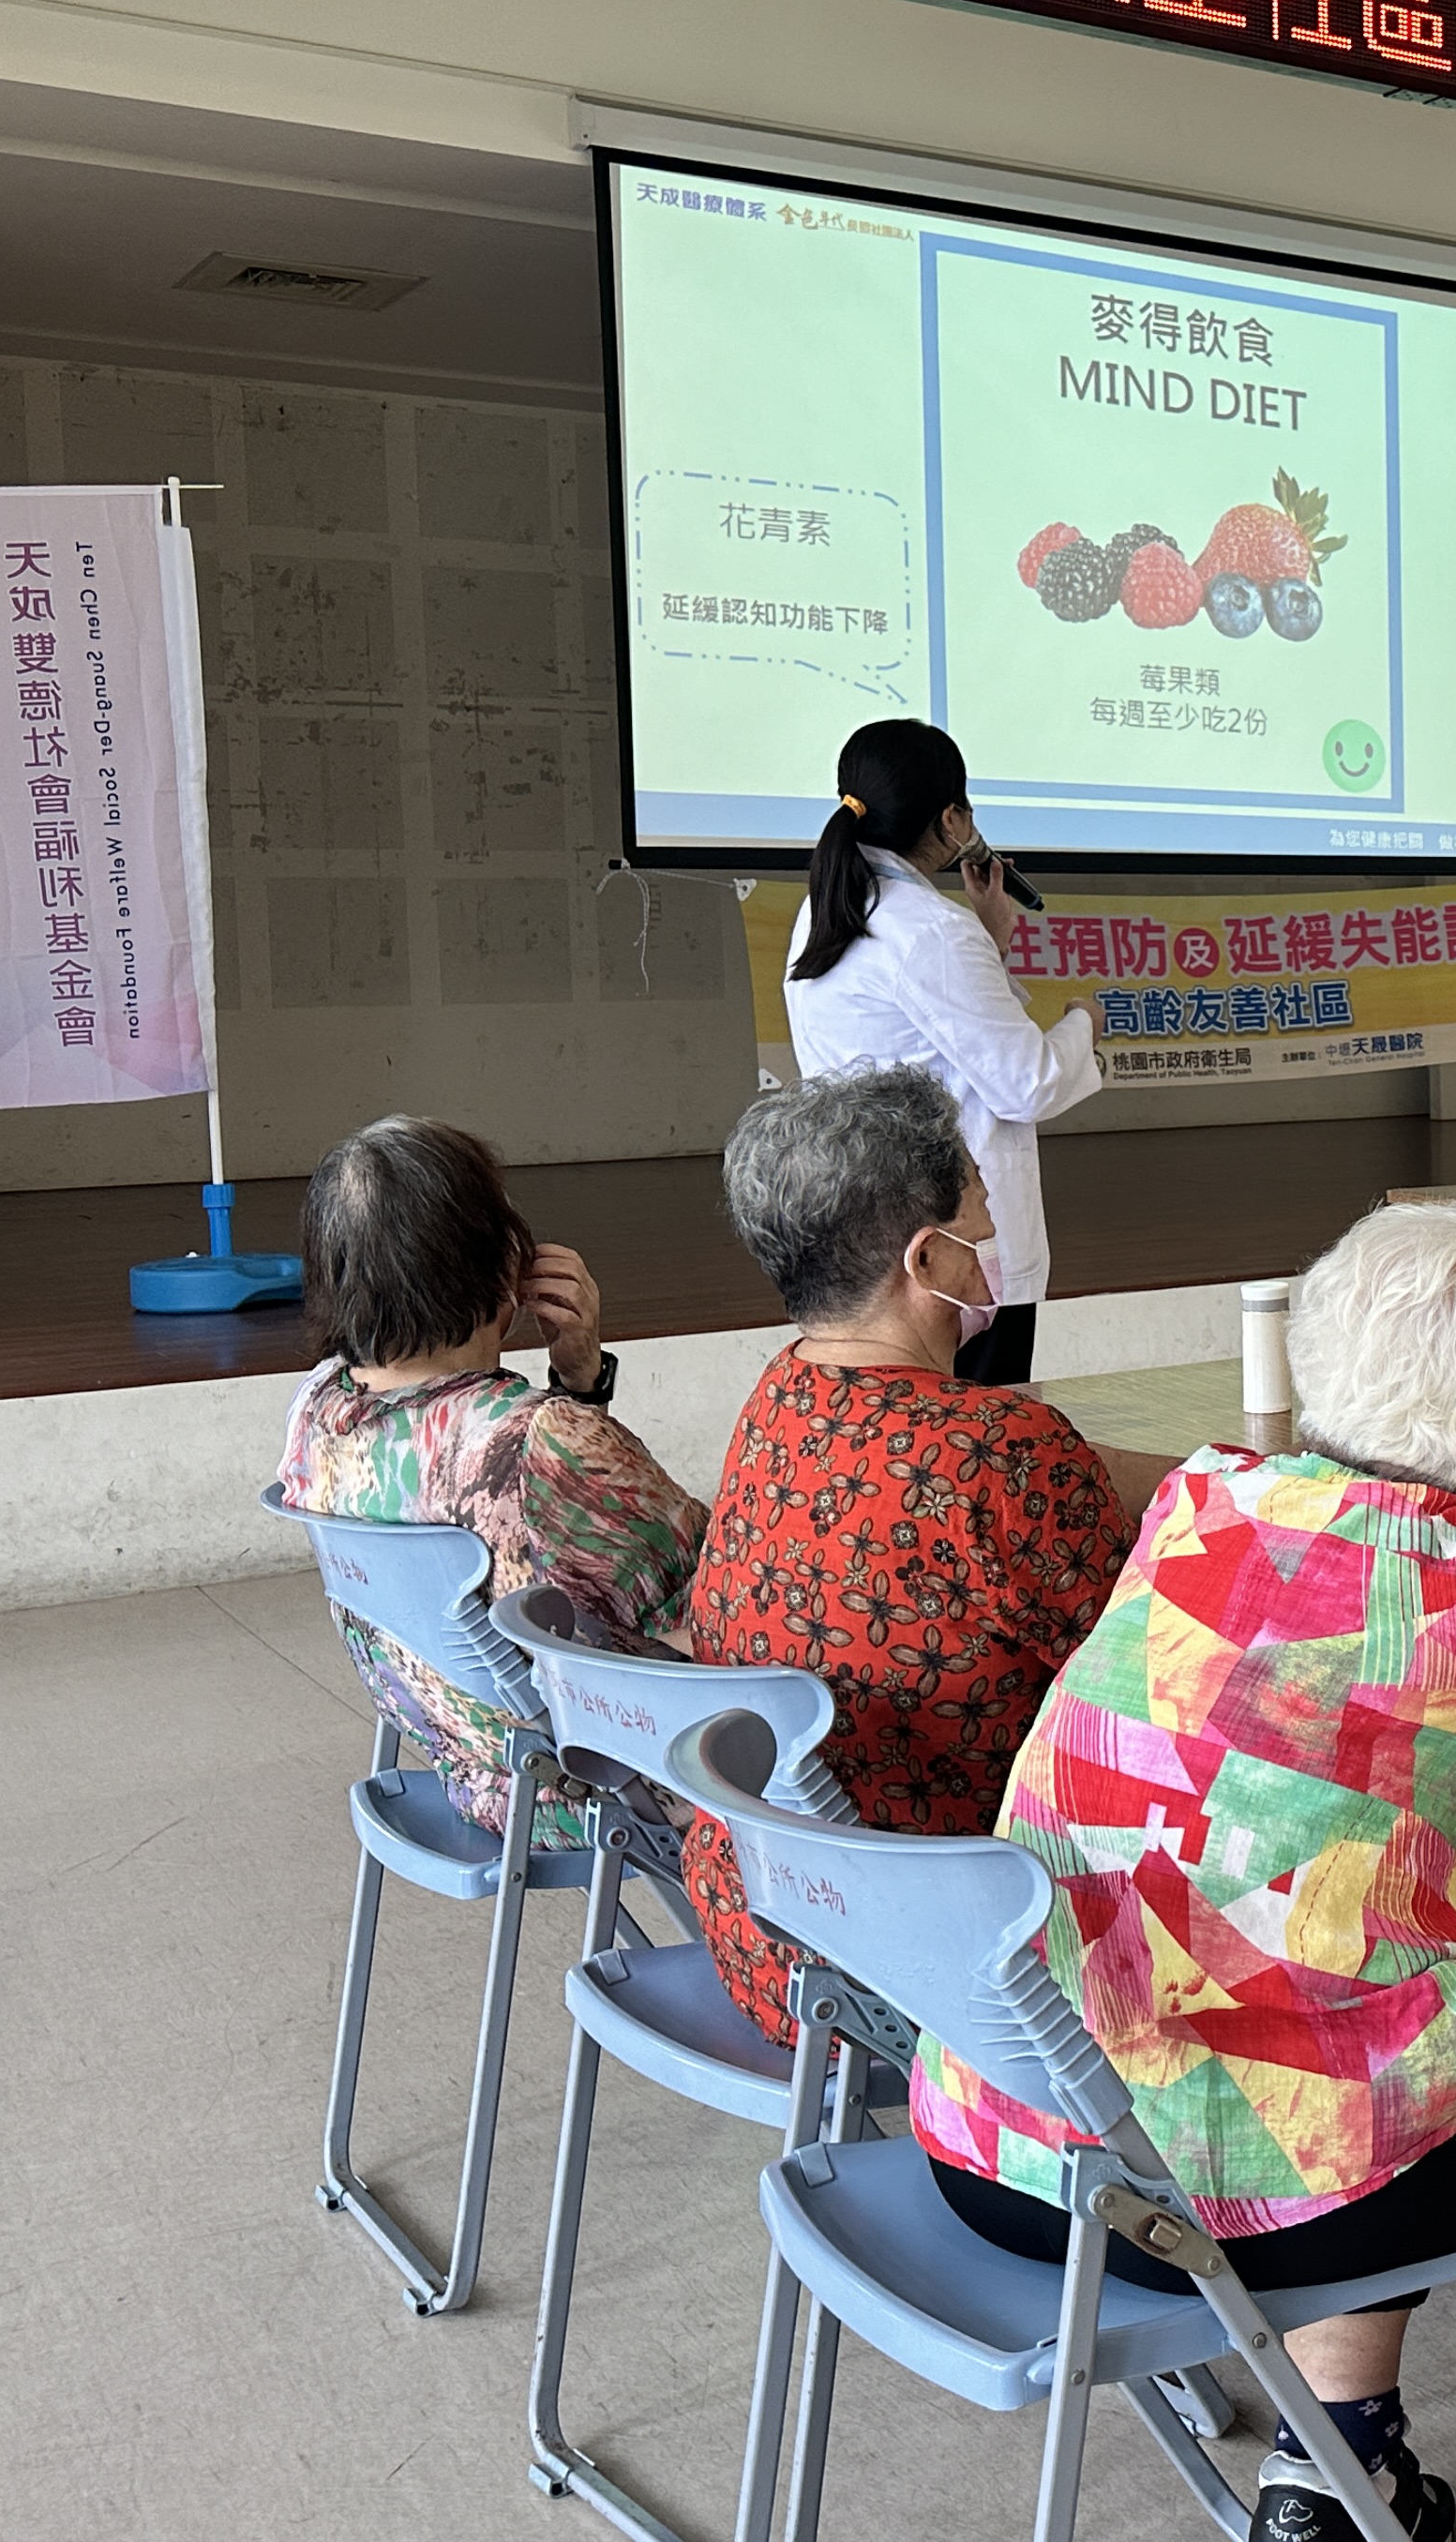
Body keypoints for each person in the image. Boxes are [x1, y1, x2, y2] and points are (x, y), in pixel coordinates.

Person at [910, 1201, 1456, 2542]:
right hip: (1201, 2209)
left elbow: (1362, 1598)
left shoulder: (1198, 1506)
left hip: (1007, 2140)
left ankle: (1339, 2467)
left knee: (1364, 1979)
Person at [675, 1064, 1143, 2048]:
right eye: (979, 1227)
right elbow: (1147, 1683)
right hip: (947, 1968)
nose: (990, 1252)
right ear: (925, 1259)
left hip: (769, 1919)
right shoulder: (1002, 1452)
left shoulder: (780, 1395)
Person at [275, 1116, 705, 1849]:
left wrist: (578, 1383)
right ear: (500, 1261)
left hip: (474, 1762)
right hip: (610, 1783)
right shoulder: (533, 1441)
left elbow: (552, 1530)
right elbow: (717, 1583)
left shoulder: (319, 1409)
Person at [784, 716, 1104, 1385]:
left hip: (869, 1231)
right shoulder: (931, 929)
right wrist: (1084, 1024)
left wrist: (988, 940)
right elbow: (1028, 1083)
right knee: (975, 1431)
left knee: (896, 1424)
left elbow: (935, 1039)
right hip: (957, 1246)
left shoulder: (826, 911)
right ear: (952, 820)